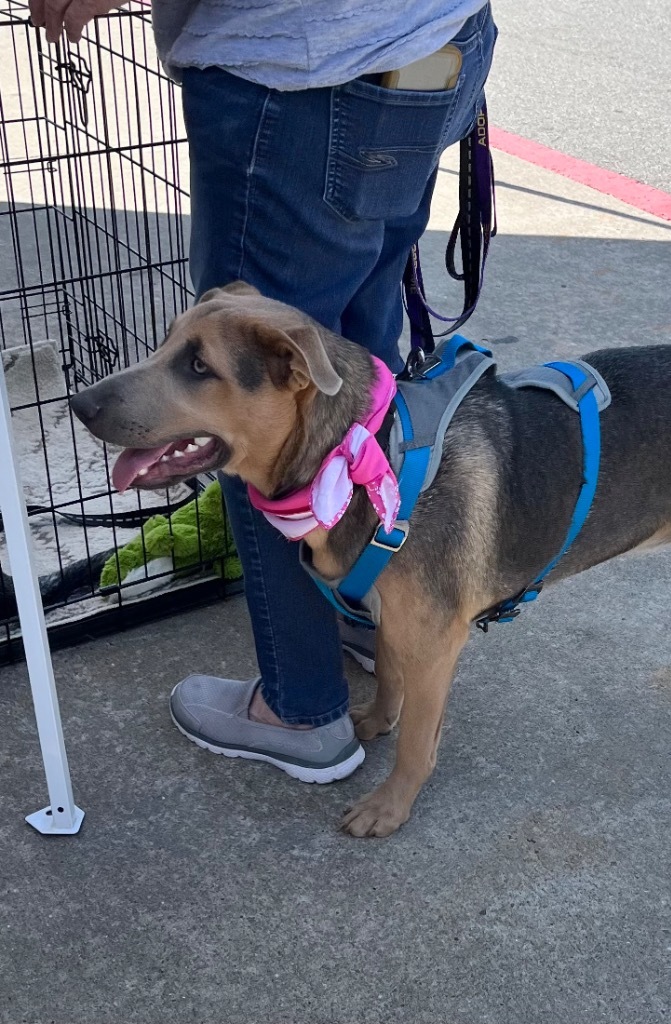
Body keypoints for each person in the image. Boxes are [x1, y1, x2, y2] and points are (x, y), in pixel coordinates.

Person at [31, 0, 497, 782]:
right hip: (429, 38)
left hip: (297, 72)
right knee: (354, 372)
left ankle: (301, 707)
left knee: (268, 432)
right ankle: (370, 602)